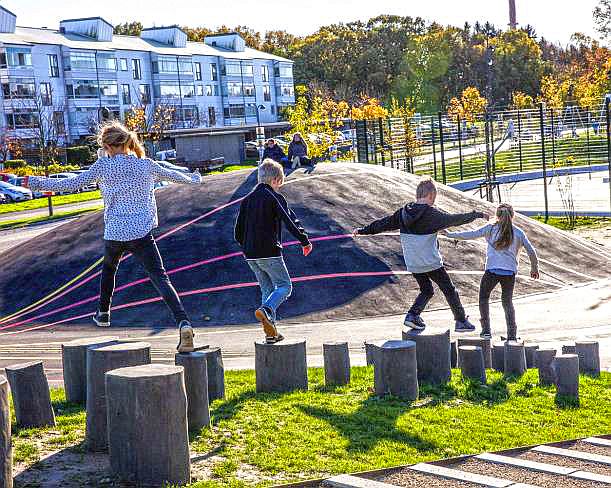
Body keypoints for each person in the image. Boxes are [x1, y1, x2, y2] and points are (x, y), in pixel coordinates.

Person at [25, 121, 203, 353]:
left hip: (115, 233)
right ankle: (183, 322)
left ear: (107, 146)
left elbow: (71, 184)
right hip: (141, 233)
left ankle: (103, 312)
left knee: (109, 269)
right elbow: (175, 176)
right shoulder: (146, 165)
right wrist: (196, 178)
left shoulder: (103, 167)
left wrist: (37, 182)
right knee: (160, 277)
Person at [353, 177, 488, 332]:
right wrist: (477, 214)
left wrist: (363, 230)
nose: (434, 202)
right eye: (434, 198)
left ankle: (412, 315)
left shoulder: (403, 212)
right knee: (449, 289)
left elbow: (383, 224)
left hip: (413, 263)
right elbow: (455, 219)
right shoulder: (432, 215)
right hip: (431, 262)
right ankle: (461, 321)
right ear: (430, 195)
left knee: (427, 290)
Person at [234, 159, 313, 343]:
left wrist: (246, 246)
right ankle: (267, 311)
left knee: (267, 289)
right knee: (285, 286)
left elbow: (237, 231)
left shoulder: (246, 200)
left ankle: (271, 332)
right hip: (269, 250)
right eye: (280, 184)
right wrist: (304, 241)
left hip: (250, 255)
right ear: (276, 180)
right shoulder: (274, 197)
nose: (279, 188)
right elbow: (289, 220)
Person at [443, 203, 539, 341]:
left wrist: (450, 234)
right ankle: (511, 335)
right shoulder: (518, 232)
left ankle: (486, 330)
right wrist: (534, 268)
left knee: (483, 298)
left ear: (497, 215)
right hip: (509, 273)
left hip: (492, 271)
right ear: (512, 216)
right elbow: (531, 251)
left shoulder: (491, 228)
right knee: (507, 302)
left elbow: (471, 234)